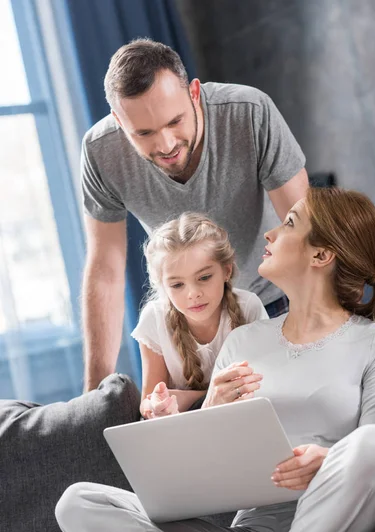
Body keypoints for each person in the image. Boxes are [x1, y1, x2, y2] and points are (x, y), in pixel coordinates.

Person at [55, 187, 375, 532]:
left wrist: (327, 463)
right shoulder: (245, 340)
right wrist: (211, 413)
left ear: (321, 255)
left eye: (288, 223)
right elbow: (205, 477)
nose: (270, 235)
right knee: (78, 503)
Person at [81, 38, 309, 391]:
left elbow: (304, 229)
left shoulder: (249, 111)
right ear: (117, 120)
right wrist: (92, 396)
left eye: (175, 121)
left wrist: (328, 331)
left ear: (194, 94)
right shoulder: (101, 152)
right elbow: (105, 272)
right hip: (188, 330)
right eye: (144, 133)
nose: (166, 144)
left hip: (272, 306)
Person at [131, 212, 267, 419]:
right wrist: (158, 405)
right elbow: (147, 402)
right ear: (162, 286)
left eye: (204, 277)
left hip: (241, 419)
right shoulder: (154, 318)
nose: (193, 293)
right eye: (177, 285)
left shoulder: (248, 306)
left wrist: (187, 398)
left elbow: (263, 387)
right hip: (185, 428)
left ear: (227, 271)